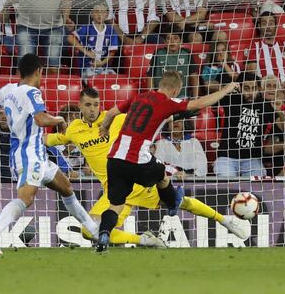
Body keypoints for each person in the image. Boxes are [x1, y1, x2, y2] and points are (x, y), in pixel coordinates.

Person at [45, 86, 247, 248]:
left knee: (180, 202)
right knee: (88, 231)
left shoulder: (117, 119)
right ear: (79, 105)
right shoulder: (73, 129)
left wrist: (183, 114)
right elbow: (51, 139)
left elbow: (157, 117)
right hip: (113, 189)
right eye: (88, 105)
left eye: (96, 104)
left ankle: (224, 220)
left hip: (136, 182)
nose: (92, 109)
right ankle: (144, 240)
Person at [0, 54, 98, 255]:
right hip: (30, 156)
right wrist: (60, 119)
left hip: (35, 156)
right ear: (38, 71)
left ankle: (95, 231)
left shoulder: (9, 90)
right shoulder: (33, 92)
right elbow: (41, 119)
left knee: (66, 188)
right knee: (26, 199)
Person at [94, 71, 240, 253]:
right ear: (176, 89)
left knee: (115, 206)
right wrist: (226, 89)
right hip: (137, 158)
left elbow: (112, 113)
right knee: (162, 174)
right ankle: (171, 203)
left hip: (114, 159)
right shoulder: (168, 102)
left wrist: (105, 128)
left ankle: (104, 235)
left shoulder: (138, 97)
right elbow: (201, 103)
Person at [213, 72, 274, 177]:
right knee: (226, 184)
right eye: (246, 88)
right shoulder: (231, 99)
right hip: (227, 158)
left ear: (258, 89)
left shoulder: (265, 105)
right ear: (240, 88)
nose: (250, 92)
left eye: (254, 88)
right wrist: (225, 90)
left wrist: (278, 112)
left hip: (252, 160)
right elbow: (209, 95)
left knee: (257, 186)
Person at [15, 0, 72, 74]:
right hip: (26, 25)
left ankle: (51, 86)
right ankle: (21, 87)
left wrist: (66, 18)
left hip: (54, 27)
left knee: (53, 66)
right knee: (23, 67)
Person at [67, 0, 119, 79]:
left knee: (115, 81)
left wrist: (101, 63)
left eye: (102, 12)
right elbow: (70, 38)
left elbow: (112, 52)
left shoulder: (111, 30)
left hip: (104, 68)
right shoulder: (86, 28)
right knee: (93, 80)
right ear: (92, 14)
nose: (99, 14)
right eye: (97, 11)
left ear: (107, 15)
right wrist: (87, 52)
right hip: (86, 68)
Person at [246, 11, 285, 86]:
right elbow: (251, 76)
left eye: (271, 23)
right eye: (264, 23)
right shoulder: (253, 47)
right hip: (263, 89)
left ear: (276, 26)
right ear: (259, 26)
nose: (268, 27)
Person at [146, 26, 199, 98]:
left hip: (182, 96)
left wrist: (195, 97)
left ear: (181, 41)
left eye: (175, 38)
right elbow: (150, 76)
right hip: (161, 96)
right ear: (164, 42)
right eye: (168, 38)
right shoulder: (158, 53)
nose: (172, 41)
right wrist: (151, 97)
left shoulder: (186, 53)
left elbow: (194, 77)